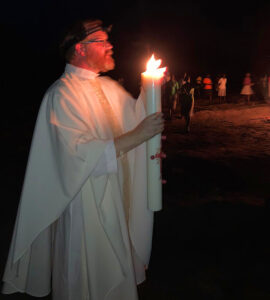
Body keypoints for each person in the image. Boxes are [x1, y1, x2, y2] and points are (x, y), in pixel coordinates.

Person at [2, 19, 164, 300]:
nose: (110, 45)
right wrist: (139, 136)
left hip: (118, 201)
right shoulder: (61, 95)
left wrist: (148, 153)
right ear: (80, 48)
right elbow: (77, 155)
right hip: (85, 210)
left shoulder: (111, 89)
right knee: (86, 281)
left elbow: (135, 130)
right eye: (102, 41)